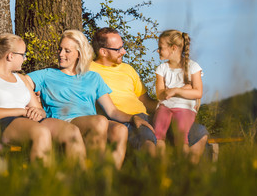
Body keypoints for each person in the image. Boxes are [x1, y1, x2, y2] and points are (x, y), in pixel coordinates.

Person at [24, 30, 154, 169]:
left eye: (67, 51)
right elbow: (22, 81)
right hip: (63, 121)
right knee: (99, 121)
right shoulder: (47, 74)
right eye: (60, 49)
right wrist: (36, 106)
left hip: (92, 122)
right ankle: (93, 175)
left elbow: (112, 111)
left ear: (79, 54)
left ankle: (110, 175)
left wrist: (132, 117)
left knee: (120, 129)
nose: (61, 54)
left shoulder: (93, 77)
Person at [89, 27, 209, 161]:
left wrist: (176, 106)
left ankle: (188, 176)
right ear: (103, 52)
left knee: (198, 132)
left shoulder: (127, 69)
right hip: (124, 120)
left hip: (148, 117)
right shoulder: (89, 71)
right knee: (149, 142)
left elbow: (145, 101)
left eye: (123, 47)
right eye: (118, 49)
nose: (124, 51)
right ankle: (158, 176)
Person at [0, 33, 86, 165]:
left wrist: (38, 112)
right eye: (23, 55)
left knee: (71, 131)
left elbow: (40, 111)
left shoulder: (21, 79)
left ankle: (81, 181)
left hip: (29, 121)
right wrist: (20, 111)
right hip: (2, 124)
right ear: (10, 56)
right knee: (41, 133)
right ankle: (44, 182)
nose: (25, 59)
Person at [154, 29, 203, 163]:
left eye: (160, 48)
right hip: (165, 106)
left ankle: (185, 169)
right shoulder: (161, 69)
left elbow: (198, 92)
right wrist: (185, 88)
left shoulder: (193, 67)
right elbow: (160, 94)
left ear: (173, 48)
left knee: (182, 138)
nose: (158, 51)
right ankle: (161, 169)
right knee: (158, 135)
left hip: (184, 108)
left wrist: (176, 90)